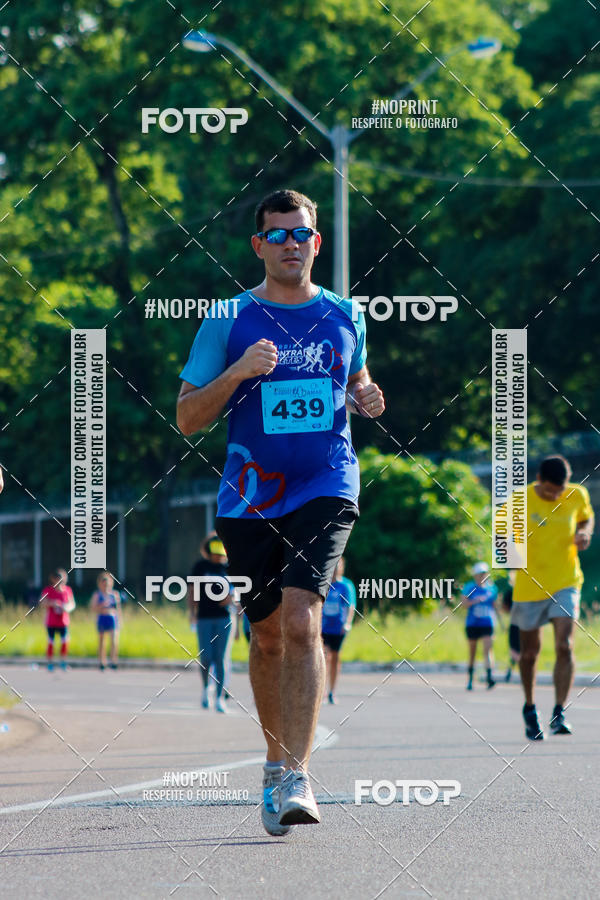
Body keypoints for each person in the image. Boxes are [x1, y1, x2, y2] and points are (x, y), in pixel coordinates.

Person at [177, 188, 384, 835]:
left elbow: (355, 379)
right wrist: (239, 372)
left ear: (317, 243)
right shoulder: (228, 318)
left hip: (327, 481)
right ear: (258, 245)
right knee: (266, 636)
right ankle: (274, 767)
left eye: (301, 234)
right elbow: (187, 417)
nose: (291, 244)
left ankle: (298, 774)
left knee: (302, 619)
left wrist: (366, 393)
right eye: (278, 234)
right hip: (250, 496)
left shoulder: (347, 314)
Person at [510, 455, 594, 740]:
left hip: (565, 581)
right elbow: (502, 539)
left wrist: (584, 533)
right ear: (538, 480)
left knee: (564, 645)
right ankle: (530, 708)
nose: (555, 496)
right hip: (529, 586)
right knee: (529, 653)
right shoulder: (519, 499)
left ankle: (559, 713)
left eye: (559, 491)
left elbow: (586, 518)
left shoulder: (576, 495)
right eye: (549, 491)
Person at [187, 534, 236, 713]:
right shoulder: (201, 567)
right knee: (206, 657)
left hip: (224, 618)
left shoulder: (230, 567)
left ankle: (220, 698)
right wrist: (192, 613)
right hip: (204, 617)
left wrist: (231, 598)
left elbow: (238, 591)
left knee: (221, 658)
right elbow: (192, 591)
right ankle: (206, 689)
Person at [321, 558, 356, 704]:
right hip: (323, 626)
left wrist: (347, 623)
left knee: (335, 656)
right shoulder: (324, 584)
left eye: (338, 566)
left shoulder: (345, 586)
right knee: (324, 656)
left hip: (338, 627)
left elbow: (350, 606)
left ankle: (332, 691)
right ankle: (321, 691)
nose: (336, 569)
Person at [461, 562, 498, 691]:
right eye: (480, 574)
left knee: (488, 649)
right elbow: (464, 604)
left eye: (484, 574)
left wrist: (501, 623)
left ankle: (489, 677)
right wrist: (475, 601)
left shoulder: (492, 589)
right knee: (472, 651)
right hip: (473, 623)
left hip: (487, 623)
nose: (482, 576)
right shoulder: (469, 587)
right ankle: (470, 679)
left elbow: (495, 606)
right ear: (475, 575)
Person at [40, 568, 75, 671]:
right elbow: (42, 602)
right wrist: (53, 603)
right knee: (51, 642)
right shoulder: (48, 590)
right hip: (51, 621)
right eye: (58, 578)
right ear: (53, 579)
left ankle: (63, 662)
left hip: (63, 621)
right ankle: (50, 663)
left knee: (64, 641)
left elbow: (72, 604)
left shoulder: (67, 590)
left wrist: (66, 607)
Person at [90, 571, 122, 670]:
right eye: (104, 584)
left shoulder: (115, 594)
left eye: (107, 584)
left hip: (112, 618)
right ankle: (102, 661)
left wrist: (120, 620)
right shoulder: (97, 595)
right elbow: (93, 608)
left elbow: (118, 609)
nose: (106, 586)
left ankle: (113, 660)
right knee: (102, 641)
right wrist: (101, 606)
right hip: (102, 617)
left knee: (114, 640)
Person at [501, 572, 520, 682]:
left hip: (524, 624)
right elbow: (504, 607)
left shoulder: (526, 592)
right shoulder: (510, 593)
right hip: (515, 624)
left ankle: (514, 668)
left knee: (519, 650)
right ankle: (511, 669)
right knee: (514, 649)